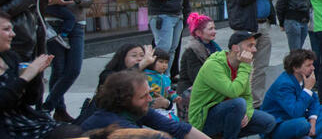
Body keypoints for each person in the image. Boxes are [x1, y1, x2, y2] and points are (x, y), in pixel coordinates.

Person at [0, 12, 83, 139]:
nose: (13, 34)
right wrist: (26, 76)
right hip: (8, 128)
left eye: (12, 29)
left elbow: (30, 100)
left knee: (78, 132)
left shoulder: (10, 57)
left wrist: (35, 75)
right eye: (6, 29)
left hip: (25, 121)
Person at [187, 31, 276, 139]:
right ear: (235, 48)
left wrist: (246, 114)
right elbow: (233, 92)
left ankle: (224, 135)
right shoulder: (214, 65)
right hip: (203, 120)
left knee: (269, 122)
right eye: (250, 46)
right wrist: (246, 66)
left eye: (254, 46)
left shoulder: (241, 65)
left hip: (227, 113)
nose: (254, 50)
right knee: (238, 104)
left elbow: (247, 96)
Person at [82, 70, 210, 139]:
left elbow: (178, 128)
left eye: (149, 93)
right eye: (143, 96)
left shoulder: (134, 107)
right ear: (124, 100)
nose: (150, 99)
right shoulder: (112, 122)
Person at [225, 0, 277, 108]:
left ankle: (256, 103)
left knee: (261, 67)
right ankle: (241, 101)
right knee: (242, 66)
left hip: (264, 25)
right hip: (246, 26)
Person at [44, 0, 92, 122]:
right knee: (59, 69)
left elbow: (88, 1)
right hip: (55, 25)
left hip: (77, 25)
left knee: (73, 69)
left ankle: (46, 106)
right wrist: (51, 0)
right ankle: (59, 110)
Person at [261, 49, 322, 139]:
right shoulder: (284, 84)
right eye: (308, 65)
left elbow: (314, 102)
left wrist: (312, 122)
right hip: (277, 125)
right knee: (302, 124)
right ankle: (306, 135)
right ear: (296, 68)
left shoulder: (304, 78)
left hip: (294, 118)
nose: (313, 68)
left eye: (312, 64)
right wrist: (307, 89)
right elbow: (295, 113)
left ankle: (307, 135)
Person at [177, 13, 220, 98]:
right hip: (191, 90)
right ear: (199, 32)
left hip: (209, 85)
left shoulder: (214, 47)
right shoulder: (192, 50)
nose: (214, 32)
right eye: (210, 29)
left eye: (214, 28)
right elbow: (196, 77)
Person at [145, 48, 181, 121]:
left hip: (163, 105)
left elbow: (168, 90)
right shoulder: (146, 76)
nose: (164, 65)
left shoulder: (165, 77)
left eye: (166, 62)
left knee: (175, 120)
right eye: (161, 62)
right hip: (151, 107)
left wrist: (174, 96)